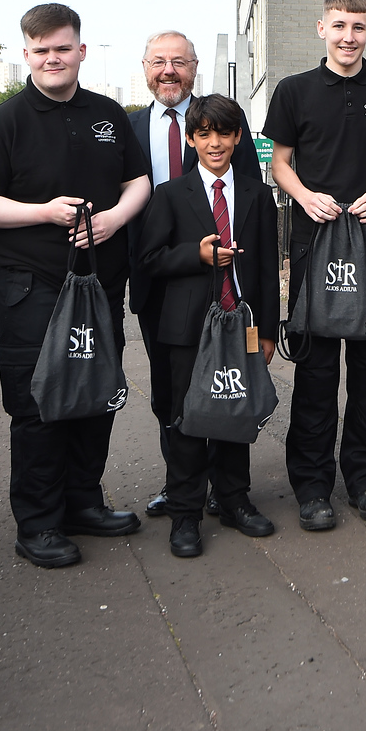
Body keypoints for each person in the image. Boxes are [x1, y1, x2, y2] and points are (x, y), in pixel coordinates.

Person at [0, 3, 152, 569]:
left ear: (81, 52)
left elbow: (137, 180)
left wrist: (117, 218)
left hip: (97, 285)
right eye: (40, 50)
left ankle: (83, 504)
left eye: (62, 48)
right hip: (32, 286)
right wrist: (43, 213)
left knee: (95, 393)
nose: (52, 58)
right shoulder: (5, 121)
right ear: (26, 55)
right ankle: (38, 523)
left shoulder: (109, 114)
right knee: (39, 403)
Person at [263, 0, 366, 530]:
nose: (348, 37)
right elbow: (280, 163)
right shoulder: (293, 91)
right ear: (321, 29)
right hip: (315, 244)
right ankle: (312, 487)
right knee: (316, 372)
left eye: (358, 27)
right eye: (338, 26)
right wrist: (304, 196)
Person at [127, 30, 260, 520]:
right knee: (172, 390)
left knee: (227, 384)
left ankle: (226, 490)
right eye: (159, 61)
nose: (169, 70)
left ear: (195, 67)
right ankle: (182, 485)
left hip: (224, 286)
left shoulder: (222, 122)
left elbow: (246, 203)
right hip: (161, 282)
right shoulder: (129, 126)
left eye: (179, 62)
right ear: (144, 67)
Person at [140, 94, 279, 556]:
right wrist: (194, 256)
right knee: (184, 418)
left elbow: (264, 269)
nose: (214, 143)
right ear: (191, 138)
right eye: (204, 134)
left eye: (223, 133)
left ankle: (235, 499)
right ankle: (185, 513)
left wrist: (268, 333)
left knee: (233, 411)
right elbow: (150, 260)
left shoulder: (257, 195)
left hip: (241, 322)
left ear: (238, 137)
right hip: (187, 327)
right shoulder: (170, 195)